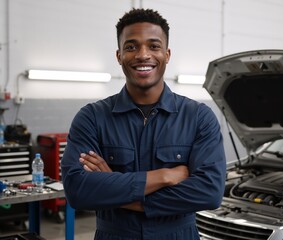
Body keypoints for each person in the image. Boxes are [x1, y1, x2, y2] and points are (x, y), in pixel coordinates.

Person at [60, 8, 226, 240]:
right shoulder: (92, 117)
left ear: (167, 54)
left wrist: (116, 190)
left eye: (154, 46)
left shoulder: (198, 117)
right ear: (119, 56)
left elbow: (209, 193)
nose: (143, 54)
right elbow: (77, 190)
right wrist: (164, 176)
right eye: (131, 46)